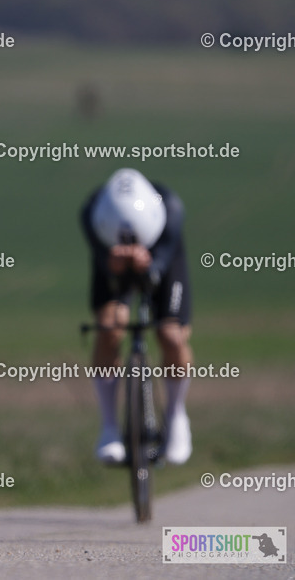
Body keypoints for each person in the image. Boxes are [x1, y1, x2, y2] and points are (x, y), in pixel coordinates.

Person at [81, 168, 193, 466]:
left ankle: (176, 414)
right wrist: (112, 264)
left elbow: (166, 258)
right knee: (108, 329)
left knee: (171, 336)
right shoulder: (92, 212)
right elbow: (98, 256)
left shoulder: (170, 208)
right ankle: (109, 428)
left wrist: (151, 265)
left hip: (164, 264)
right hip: (111, 265)